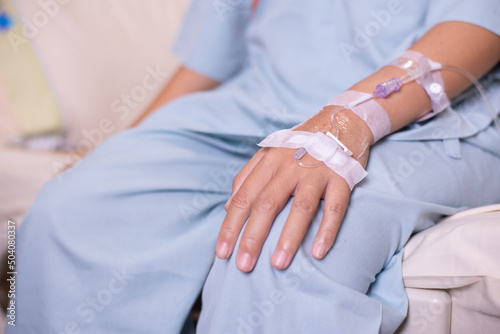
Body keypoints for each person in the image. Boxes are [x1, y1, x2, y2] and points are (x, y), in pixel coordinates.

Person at [7, 0, 500, 333]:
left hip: (429, 119)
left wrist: (346, 121)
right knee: (73, 209)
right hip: (256, 105)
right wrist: (113, 153)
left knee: (287, 241)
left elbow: (476, 26)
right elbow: (207, 63)